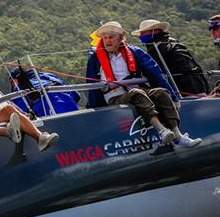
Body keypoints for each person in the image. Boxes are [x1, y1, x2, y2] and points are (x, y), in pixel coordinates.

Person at [86, 21, 201, 149]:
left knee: (160, 92)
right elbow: (91, 84)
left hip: (136, 91)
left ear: (120, 39)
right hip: (115, 97)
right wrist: (93, 110)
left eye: (111, 37)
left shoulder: (134, 52)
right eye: (105, 38)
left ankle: (178, 135)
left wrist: (174, 97)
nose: (107, 41)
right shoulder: (95, 58)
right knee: (137, 93)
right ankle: (162, 130)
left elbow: (155, 72)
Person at [132, 19, 209, 96]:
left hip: (182, 91)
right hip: (199, 88)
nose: (141, 36)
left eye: (143, 33)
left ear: (155, 31)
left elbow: (154, 72)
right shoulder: (175, 43)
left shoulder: (156, 48)